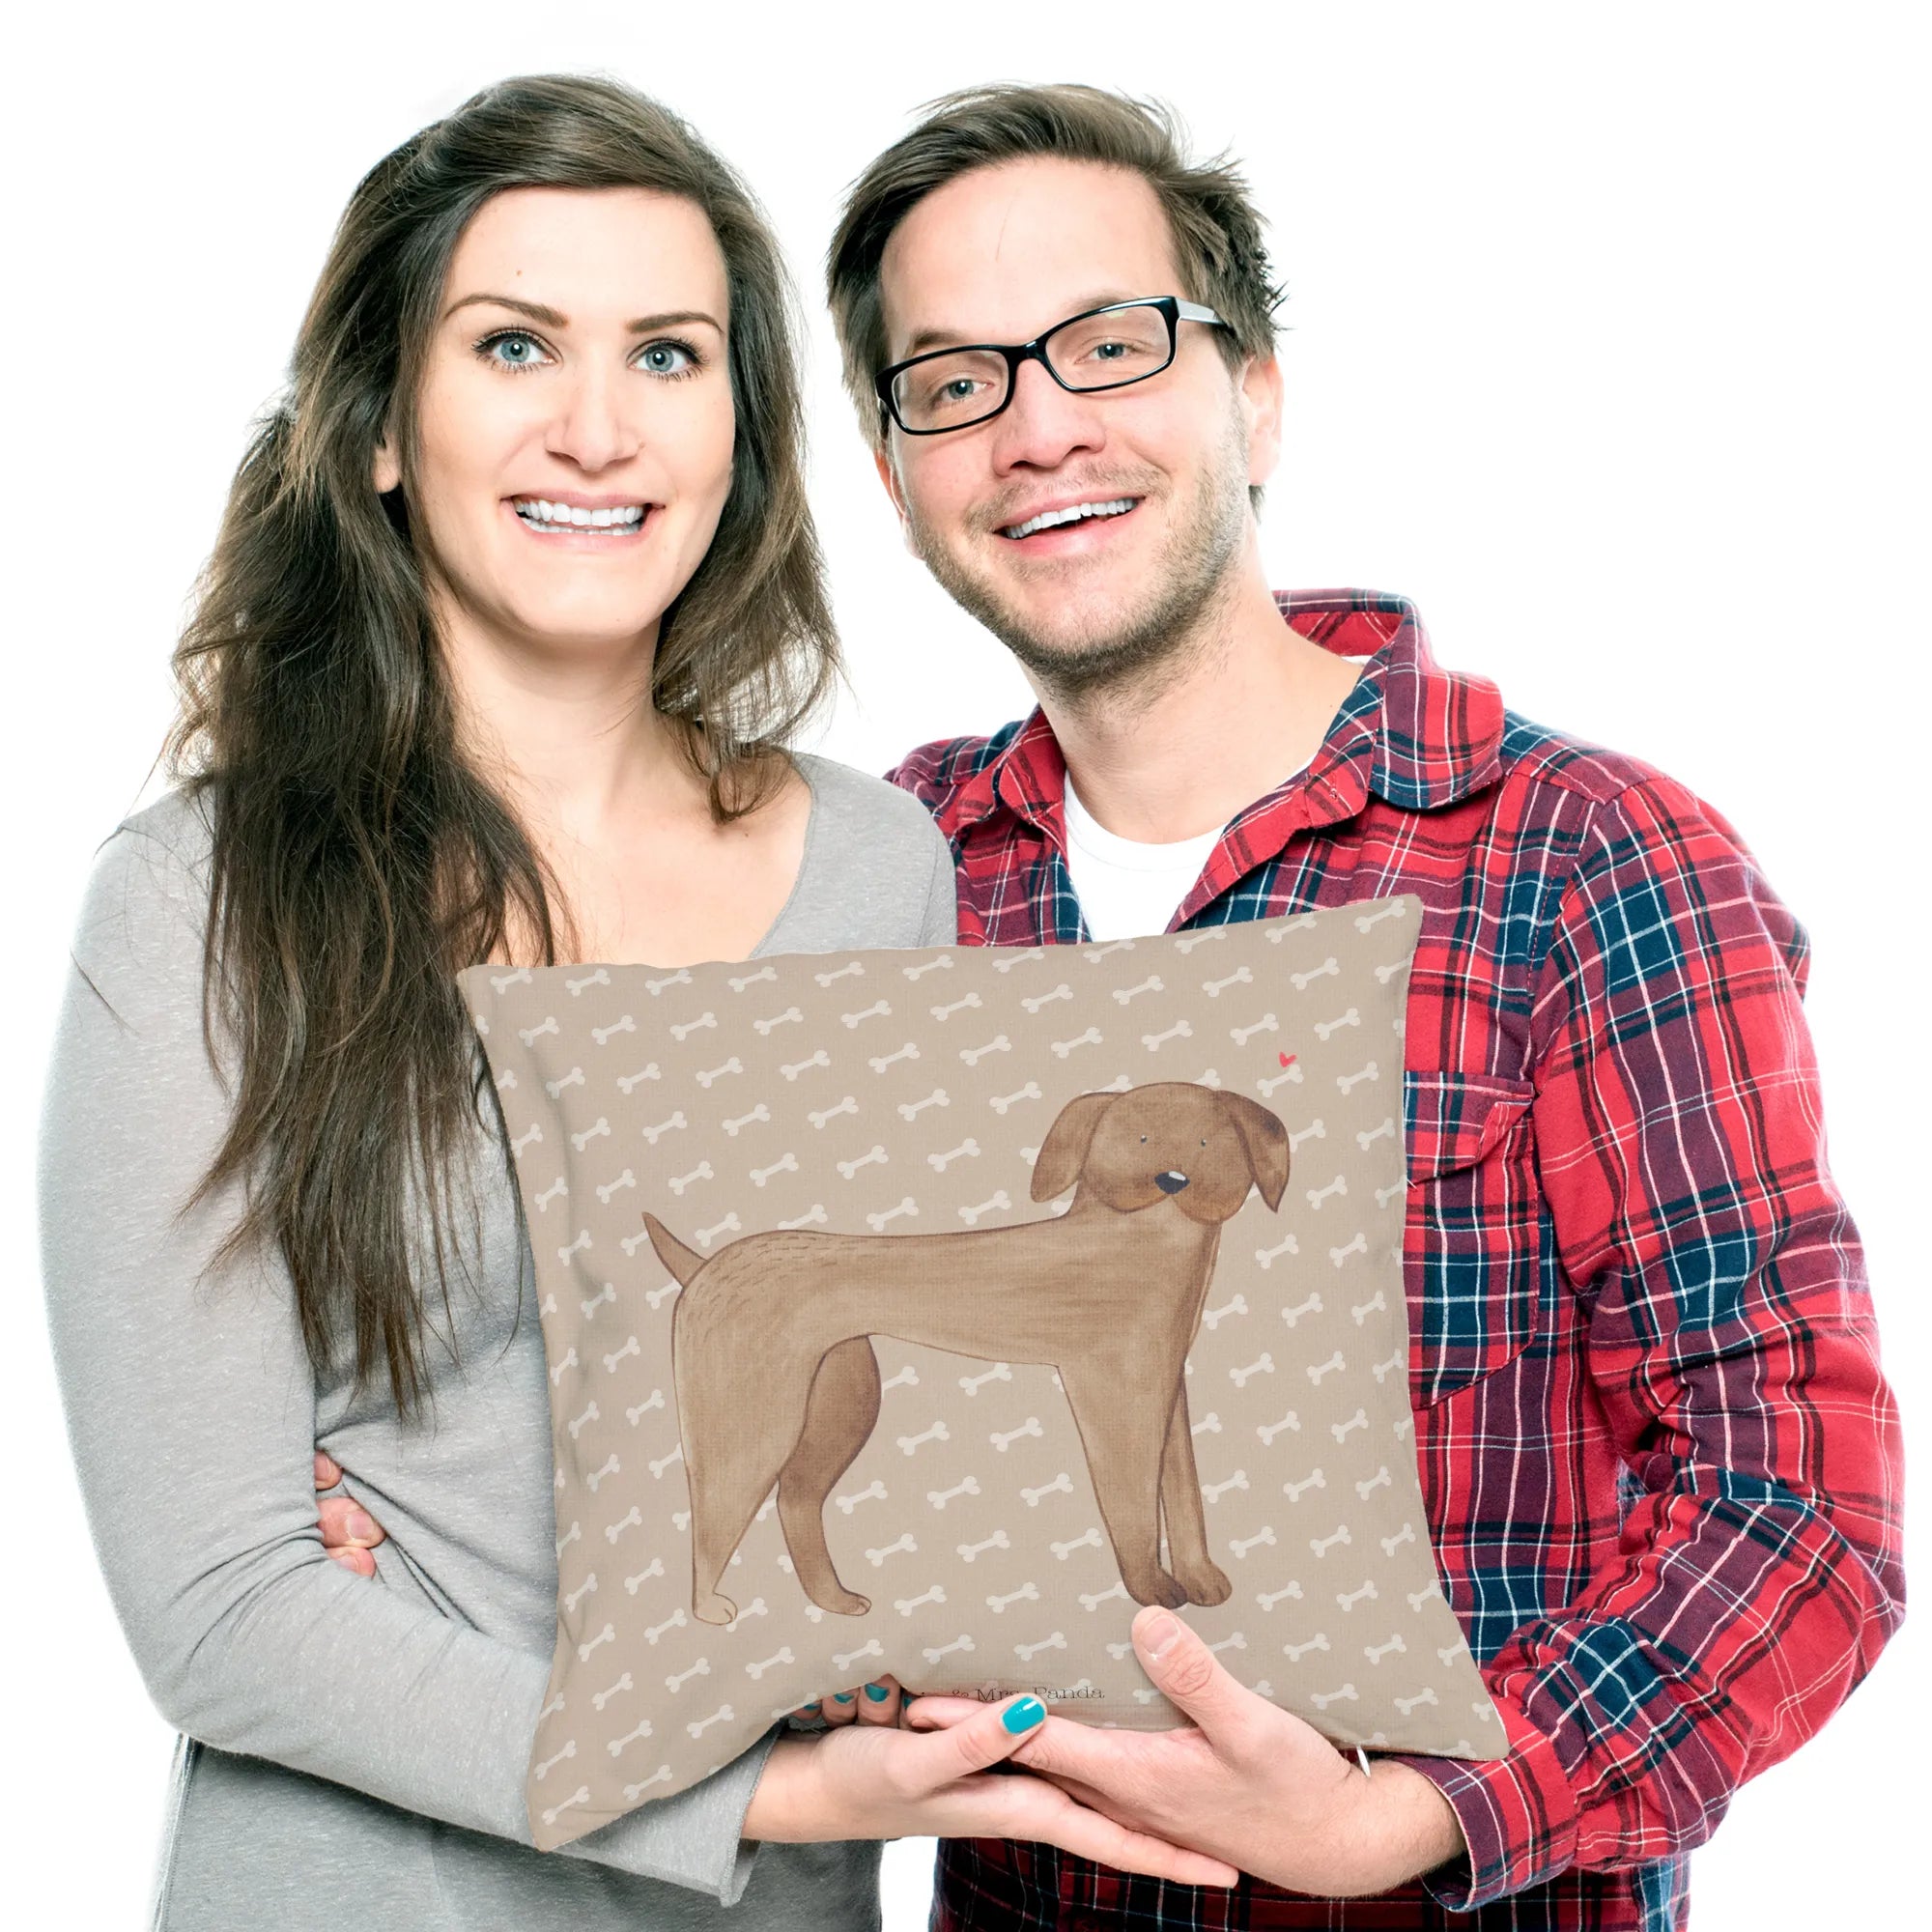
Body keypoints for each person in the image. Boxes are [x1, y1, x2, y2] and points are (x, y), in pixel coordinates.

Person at [313, 83, 1906, 1929]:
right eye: (954, 381)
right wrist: (410, 1506)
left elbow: (1802, 1515)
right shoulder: (883, 875)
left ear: (1257, 394)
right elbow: (696, 1322)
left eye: (1110, 343)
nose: (1039, 426)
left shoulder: (1585, 862)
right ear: (897, 473)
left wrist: (1411, 1816)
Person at [38, 73, 1237, 1932]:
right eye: (515, 344)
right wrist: (761, 1785)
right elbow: (219, 1611)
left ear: (740, 433)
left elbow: (924, 1433)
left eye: (668, 355)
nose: (597, 430)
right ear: (381, 425)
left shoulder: (882, 867)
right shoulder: (202, 901)